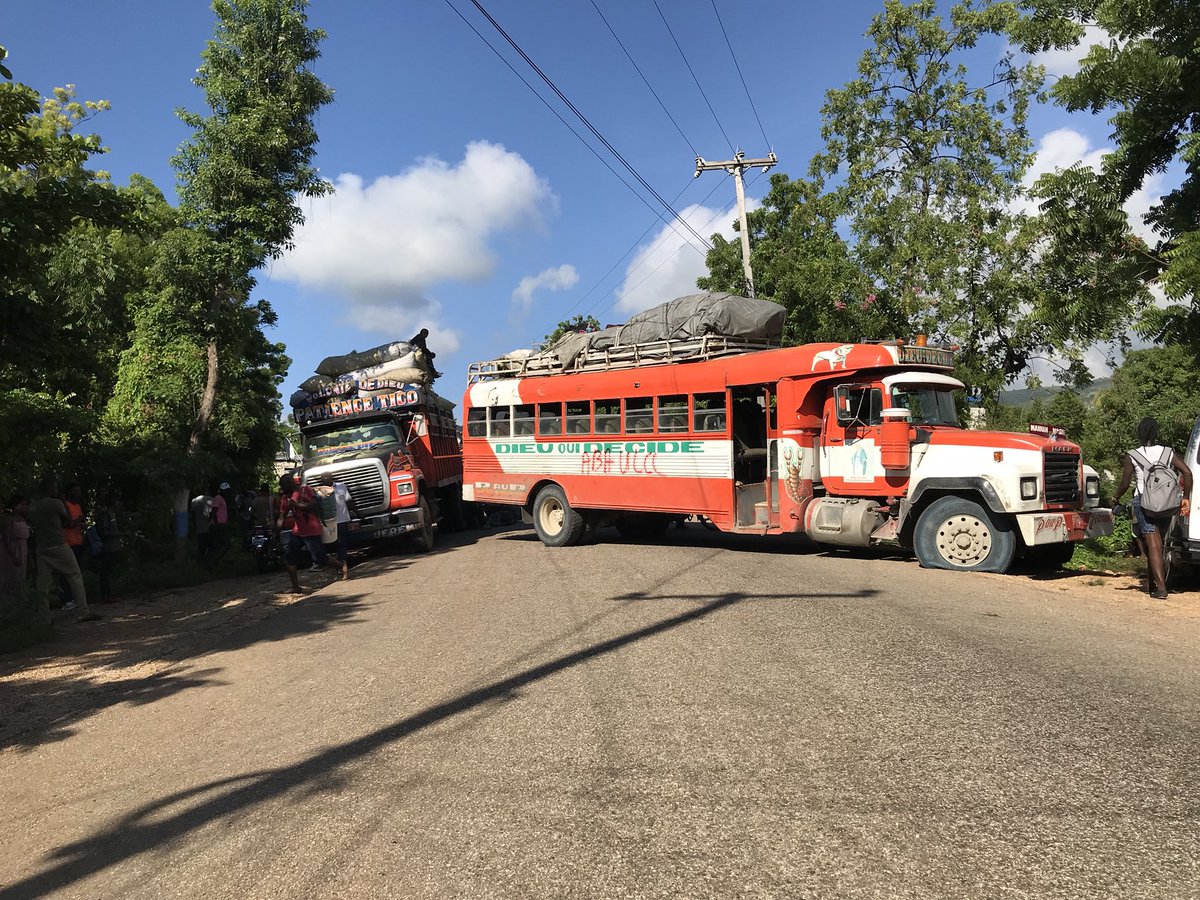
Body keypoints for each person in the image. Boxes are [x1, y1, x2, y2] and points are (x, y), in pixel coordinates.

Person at [1112, 416, 1192, 600]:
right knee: (1159, 544)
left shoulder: (1132, 455)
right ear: (1156, 433)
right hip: (1167, 503)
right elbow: (1187, 472)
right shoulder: (1167, 452)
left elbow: (1125, 483)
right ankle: (1152, 584)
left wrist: (1116, 498)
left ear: (1139, 433)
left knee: (1153, 545)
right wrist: (1185, 497)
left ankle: (1161, 588)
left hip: (1144, 503)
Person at [28, 478, 99, 623]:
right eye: (54, 488)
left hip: (41, 546)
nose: (57, 491)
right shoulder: (55, 503)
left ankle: (44, 617)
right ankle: (82, 611)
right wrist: (62, 500)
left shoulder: (32, 507)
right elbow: (67, 519)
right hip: (58, 543)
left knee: (43, 582)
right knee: (75, 575)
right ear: (49, 489)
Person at [277, 473, 338, 593]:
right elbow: (281, 517)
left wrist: (296, 505)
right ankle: (296, 587)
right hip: (297, 532)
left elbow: (314, 506)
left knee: (319, 559)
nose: (281, 489)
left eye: (283, 486)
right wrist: (276, 533)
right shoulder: (285, 499)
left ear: (289, 484)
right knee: (289, 559)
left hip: (311, 530)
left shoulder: (306, 490)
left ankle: (341, 566)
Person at [0, 495, 31, 622]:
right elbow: (6, 539)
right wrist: (14, 555)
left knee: (20, 579)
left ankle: (18, 610)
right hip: (12, 551)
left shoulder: (23, 519)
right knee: (9, 579)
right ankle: (7, 611)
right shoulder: (8, 519)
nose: (25, 507)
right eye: (22, 504)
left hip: (22, 549)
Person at [96, 493, 123, 604]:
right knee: (105, 573)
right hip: (108, 548)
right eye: (117, 501)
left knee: (109, 572)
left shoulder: (112, 515)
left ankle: (109, 594)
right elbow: (104, 532)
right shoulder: (106, 515)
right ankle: (105, 595)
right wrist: (117, 534)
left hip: (113, 547)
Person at [328, 477, 358, 581]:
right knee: (334, 545)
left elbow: (349, 502)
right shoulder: (320, 491)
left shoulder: (341, 486)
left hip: (342, 520)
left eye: (327, 477)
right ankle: (339, 566)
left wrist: (358, 513)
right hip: (329, 523)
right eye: (323, 478)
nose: (325, 479)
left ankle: (344, 569)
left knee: (341, 544)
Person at [191, 489, 214, 567]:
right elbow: (213, 513)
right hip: (209, 527)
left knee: (201, 548)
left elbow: (193, 514)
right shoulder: (211, 499)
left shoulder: (194, 501)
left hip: (199, 527)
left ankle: (200, 564)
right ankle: (208, 563)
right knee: (211, 546)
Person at [210, 483, 231, 565]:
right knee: (226, 544)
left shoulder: (221, 499)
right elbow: (213, 512)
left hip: (221, 524)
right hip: (219, 525)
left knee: (219, 545)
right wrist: (217, 523)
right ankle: (212, 562)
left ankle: (215, 562)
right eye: (226, 491)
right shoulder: (218, 498)